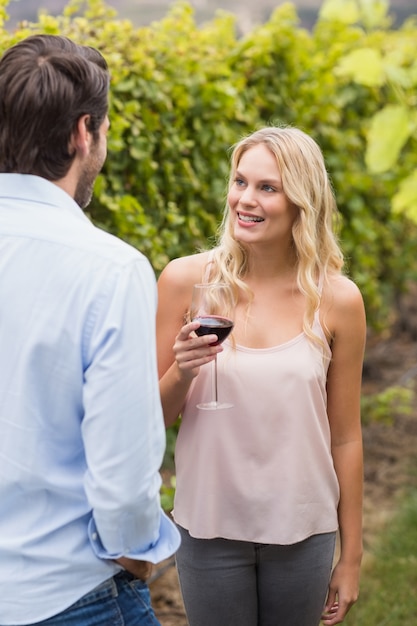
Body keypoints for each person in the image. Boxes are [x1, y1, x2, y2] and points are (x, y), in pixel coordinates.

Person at [0, 34, 180, 626]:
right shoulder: (110, 268)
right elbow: (123, 469)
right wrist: (135, 554)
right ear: (84, 132)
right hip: (69, 594)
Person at [156, 126, 366, 626]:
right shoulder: (185, 282)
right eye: (239, 181)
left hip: (302, 528)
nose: (244, 200)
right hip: (208, 527)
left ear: (301, 201)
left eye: (267, 188)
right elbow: (150, 419)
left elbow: (345, 438)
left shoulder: (338, 301)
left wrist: (351, 557)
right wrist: (182, 372)